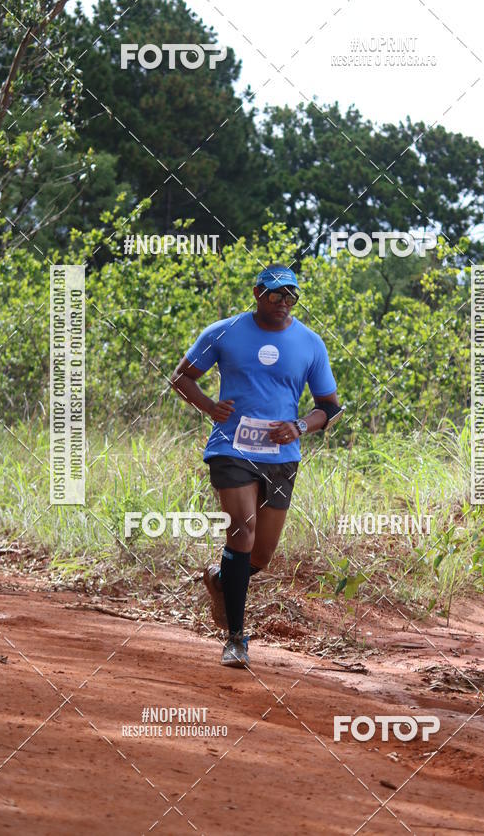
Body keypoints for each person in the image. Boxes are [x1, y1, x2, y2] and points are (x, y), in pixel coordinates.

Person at [171, 264, 342, 667]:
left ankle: (219, 579)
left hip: (281, 458)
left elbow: (329, 407)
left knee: (260, 557)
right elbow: (182, 376)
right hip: (231, 447)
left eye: (290, 295)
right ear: (257, 293)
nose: (283, 302)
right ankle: (236, 639)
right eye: (275, 294)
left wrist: (300, 426)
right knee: (242, 531)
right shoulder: (223, 332)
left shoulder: (310, 343)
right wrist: (210, 407)